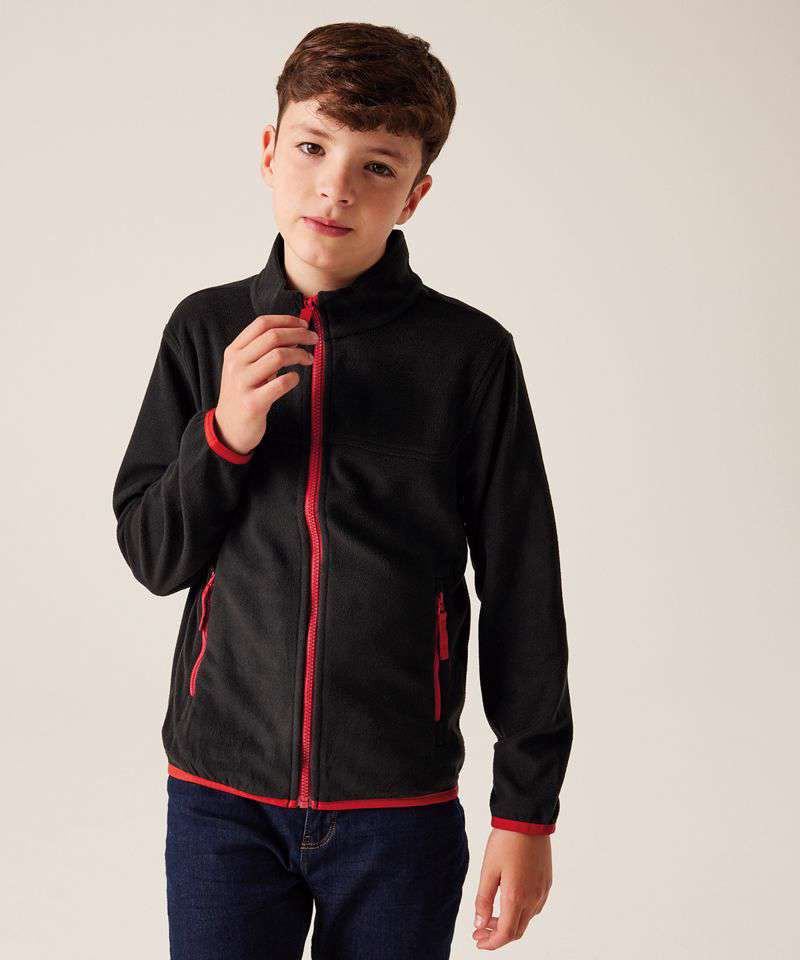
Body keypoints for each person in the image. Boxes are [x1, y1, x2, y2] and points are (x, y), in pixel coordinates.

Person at [112, 20, 573, 959]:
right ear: (269, 150)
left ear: (416, 194)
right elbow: (154, 556)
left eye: (378, 166)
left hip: (398, 807)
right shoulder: (205, 331)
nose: (336, 186)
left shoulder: (468, 356)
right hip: (220, 798)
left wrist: (525, 811)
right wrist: (225, 435)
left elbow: (524, 586)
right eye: (314, 147)